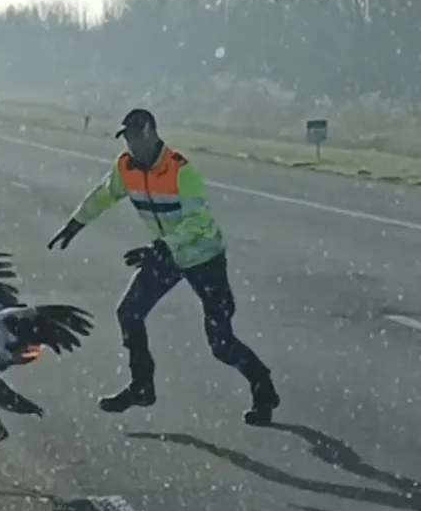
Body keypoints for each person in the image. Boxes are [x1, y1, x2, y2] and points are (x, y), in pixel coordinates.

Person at [46, 108, 280, 425]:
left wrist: (160, 248)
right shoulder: (126, 167)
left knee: (221, 343)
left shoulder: (182, 171)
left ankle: (263, 388)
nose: (132, 144)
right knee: (129, 313)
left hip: (204, 257)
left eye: (137, 136)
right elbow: (103, 196)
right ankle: (142, 385)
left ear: (153, 133)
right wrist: (75, 225)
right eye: (127, 137)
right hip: (166, 255)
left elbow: (198, 222)